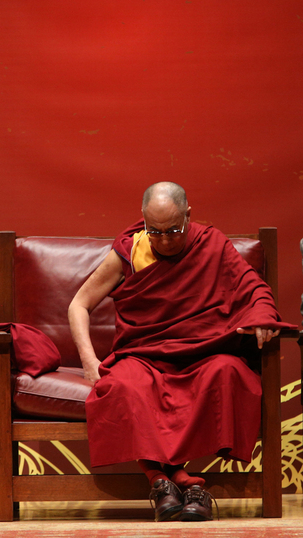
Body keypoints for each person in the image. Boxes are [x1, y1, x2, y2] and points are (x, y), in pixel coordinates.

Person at [68, 181, 294, 522]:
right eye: (154, 231)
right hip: (145, 354)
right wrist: (88, 359)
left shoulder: (212, 244)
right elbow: (78, 304)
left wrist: (262, 316)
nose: (164, 240)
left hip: (202, 353)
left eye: (173, 229)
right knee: (122, 385)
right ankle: (174, 482)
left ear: (189, 215)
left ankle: (168, 483)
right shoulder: (131, 251)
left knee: (228, 372)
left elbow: (253, 288)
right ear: (142, 220)